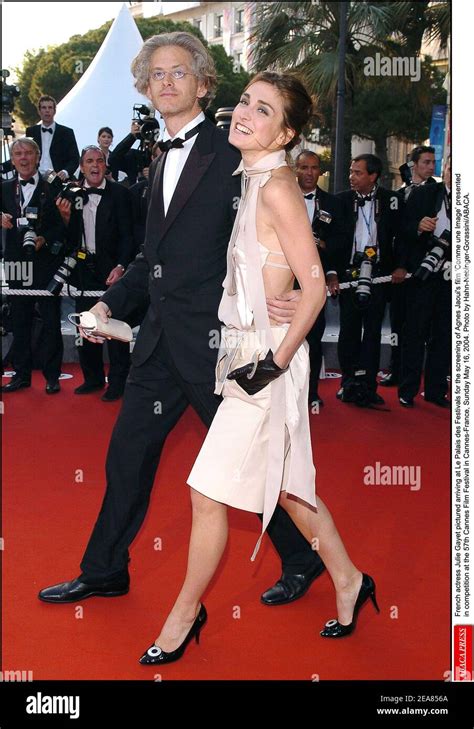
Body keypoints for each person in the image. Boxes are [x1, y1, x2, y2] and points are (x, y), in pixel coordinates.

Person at [38, 32, 324, 607]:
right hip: (157, 344)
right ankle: (104, 569)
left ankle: (302, 559)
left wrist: (295, 287)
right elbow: (152, 257)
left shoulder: (233, 150)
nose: (166, 82)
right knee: (127, 456)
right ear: (145, 86)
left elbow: (281, 212)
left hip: (217, 347)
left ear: (201, 82)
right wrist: (108, 306)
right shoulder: (155, 157)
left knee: (247, 467)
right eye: (156, 74)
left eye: (178, 73)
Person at [139, 72, 379, 666]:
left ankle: (186, 612)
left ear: (287, 132)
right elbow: (284, 276)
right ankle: (348, 579)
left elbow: (318, 285)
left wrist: (271, 363)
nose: (245, 112)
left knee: (204, 492)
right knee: (292, 489)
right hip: (246, 355)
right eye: (245, 100)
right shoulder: (250, 180)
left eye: (263, 109)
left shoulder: (275, 188)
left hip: (267, 368)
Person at [56, 145, 135, 401]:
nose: (94, 165)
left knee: (113, 327)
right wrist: (65, 218)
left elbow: (128, 237)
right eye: (89, 161)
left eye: (99, 160)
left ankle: (119, 382)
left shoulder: (120, 194)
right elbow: (64, 239)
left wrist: (122, 265)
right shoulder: (70, 193)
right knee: (85, 324)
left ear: (105, 165)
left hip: (111, 268)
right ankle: (92, 378)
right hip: (82, 269)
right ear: (81, 166)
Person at [329, 155, 403, 407]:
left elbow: (401, 237)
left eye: (358, 172)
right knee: (348, 332)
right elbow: (331, 242)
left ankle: (368, 385)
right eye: (351, 171)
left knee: (372, 333)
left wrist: (400, 266)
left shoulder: (392, 201)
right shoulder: (340, 201)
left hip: (380, 276)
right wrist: (332, 273)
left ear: (373, 176)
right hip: (349, 275)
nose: (352, 177)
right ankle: (347, 383)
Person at [1, 138, 66, 394]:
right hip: (17, 261)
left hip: (46, 261)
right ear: (13, 159)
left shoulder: (53, 186)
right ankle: (21, 374)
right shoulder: (5, 188)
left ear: (38, 157)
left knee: (51, 321)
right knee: (19, 320)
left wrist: (45, 239)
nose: (24, 158)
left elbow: (64, 225)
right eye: (18, 154)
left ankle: (52, 376)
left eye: (28, 153)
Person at [380, 145, 437, 388]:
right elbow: (394, 230)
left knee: (418, 327)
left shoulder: (436, 193)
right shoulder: (400, 193)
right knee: (397, 322)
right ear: (414, 164)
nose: (431, 167)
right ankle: (395, 368)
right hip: (398, 270)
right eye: (426, 162)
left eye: (433, 163)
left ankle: (411, 376)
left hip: (424, 271)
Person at [397, 156, 451, 409]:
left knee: (445, 335)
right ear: (446, 170)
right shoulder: (425, 193)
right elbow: (402, 230)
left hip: (454, 279)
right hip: (423, 273)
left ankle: (436, 391)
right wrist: (419, 227)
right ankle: (407, 389)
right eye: (452, 168)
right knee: (415, 332)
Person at [294, 150, 345, 407]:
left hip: (317, 282)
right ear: (295, 169)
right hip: (285, 281)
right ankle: (285, 393)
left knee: (313, 339)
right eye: (304, 167)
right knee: (285, 338)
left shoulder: (333, 204)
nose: (309, 173)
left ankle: (311, 393)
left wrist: (329, 264)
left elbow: (340, 243)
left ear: (320, 172)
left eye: (314, 168)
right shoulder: (283, 198)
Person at [26, 95, 79, 181]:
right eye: (44, 107)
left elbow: (75, 158)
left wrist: (65, 172)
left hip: (57, 178)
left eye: (50, 107)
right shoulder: (31, 131)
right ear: (39, 111)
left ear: (54, 111)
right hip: (35, 177)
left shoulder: (67, 132)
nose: (47, 110)